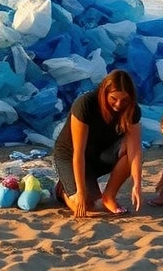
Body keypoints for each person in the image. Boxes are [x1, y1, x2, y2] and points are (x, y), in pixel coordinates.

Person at [53, 70, 143, 218]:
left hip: (99, 156)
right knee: (86, 205)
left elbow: (136, 151)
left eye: (124, 100)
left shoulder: (132, 110)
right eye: (114, 99)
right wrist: (81, 193)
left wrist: (137, 185)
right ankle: (61, 190)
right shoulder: (85, 104)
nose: (119, 104)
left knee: (129, 152)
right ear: (104, 92)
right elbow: (78, 152)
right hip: (70, 155)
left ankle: (109, 196)